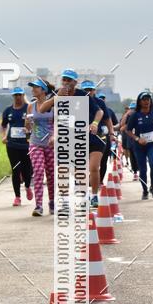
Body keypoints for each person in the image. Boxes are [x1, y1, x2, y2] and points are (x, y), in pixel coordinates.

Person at [37, 69, 104, 209]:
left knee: (93, 168)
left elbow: (99, 111)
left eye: (69, 80)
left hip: (90, 137)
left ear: (75, 82)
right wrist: (56, 98)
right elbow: (42, 109)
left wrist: (95, 123)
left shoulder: (83, 95)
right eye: (64, 80)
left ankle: (94, 196)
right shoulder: (58, 94)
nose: (66, 82)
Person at [25, 78, 55, 216]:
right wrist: (27, 124)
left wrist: (54, 136)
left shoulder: (54, 105)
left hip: (51, 144)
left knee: (51, 174)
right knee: (38, 171)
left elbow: (60, 123)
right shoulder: (31, 106)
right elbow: (28, 124)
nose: (33, 89)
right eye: (32, 87)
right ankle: (38, 206)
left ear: (43, 90)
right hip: (35, 142)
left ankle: (52, 202)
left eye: (36, 87)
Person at [0, 86, 33, 206]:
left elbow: (35, 123)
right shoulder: (8, 110)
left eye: (20, 95)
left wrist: (30, 132)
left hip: (26, 144)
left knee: (27, 169)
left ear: (23, 95)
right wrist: (4, 136)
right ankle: (17, 197)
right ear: (13, 96)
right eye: (15, 95)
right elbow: (3, 125)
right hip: (12, 144)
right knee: (15, 169)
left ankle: (28, 186)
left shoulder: (28, 108)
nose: (18, 97)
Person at [127, 91, 153, 198]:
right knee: (143, 169)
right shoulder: (135, 115)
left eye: (148, 99)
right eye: (144, 99)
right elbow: (128, 130)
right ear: (139, 102)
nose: (147, 102)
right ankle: (145, 190)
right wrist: (137, 138)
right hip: (139, 146)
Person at [97, 93, 118, 183]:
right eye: (100, 98)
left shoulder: (109, 111)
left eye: (103, 98)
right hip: (91, 138)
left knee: (103, 161)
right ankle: (92, 178)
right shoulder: (90, 108)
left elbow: (116, 124)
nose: (102, 100)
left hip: (105, 138)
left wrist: (111, 129)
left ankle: (100, 180)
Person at [120, 102, 138, 179]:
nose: (133, 110)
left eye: (134, 109)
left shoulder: (140, 115)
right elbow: (122, 126)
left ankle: (140, 170)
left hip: (139, 140)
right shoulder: (127, 116)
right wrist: (127, 114)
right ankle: (135, 172)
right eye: (131, 109)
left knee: (138, 155)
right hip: (130, 140)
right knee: (132, 156)